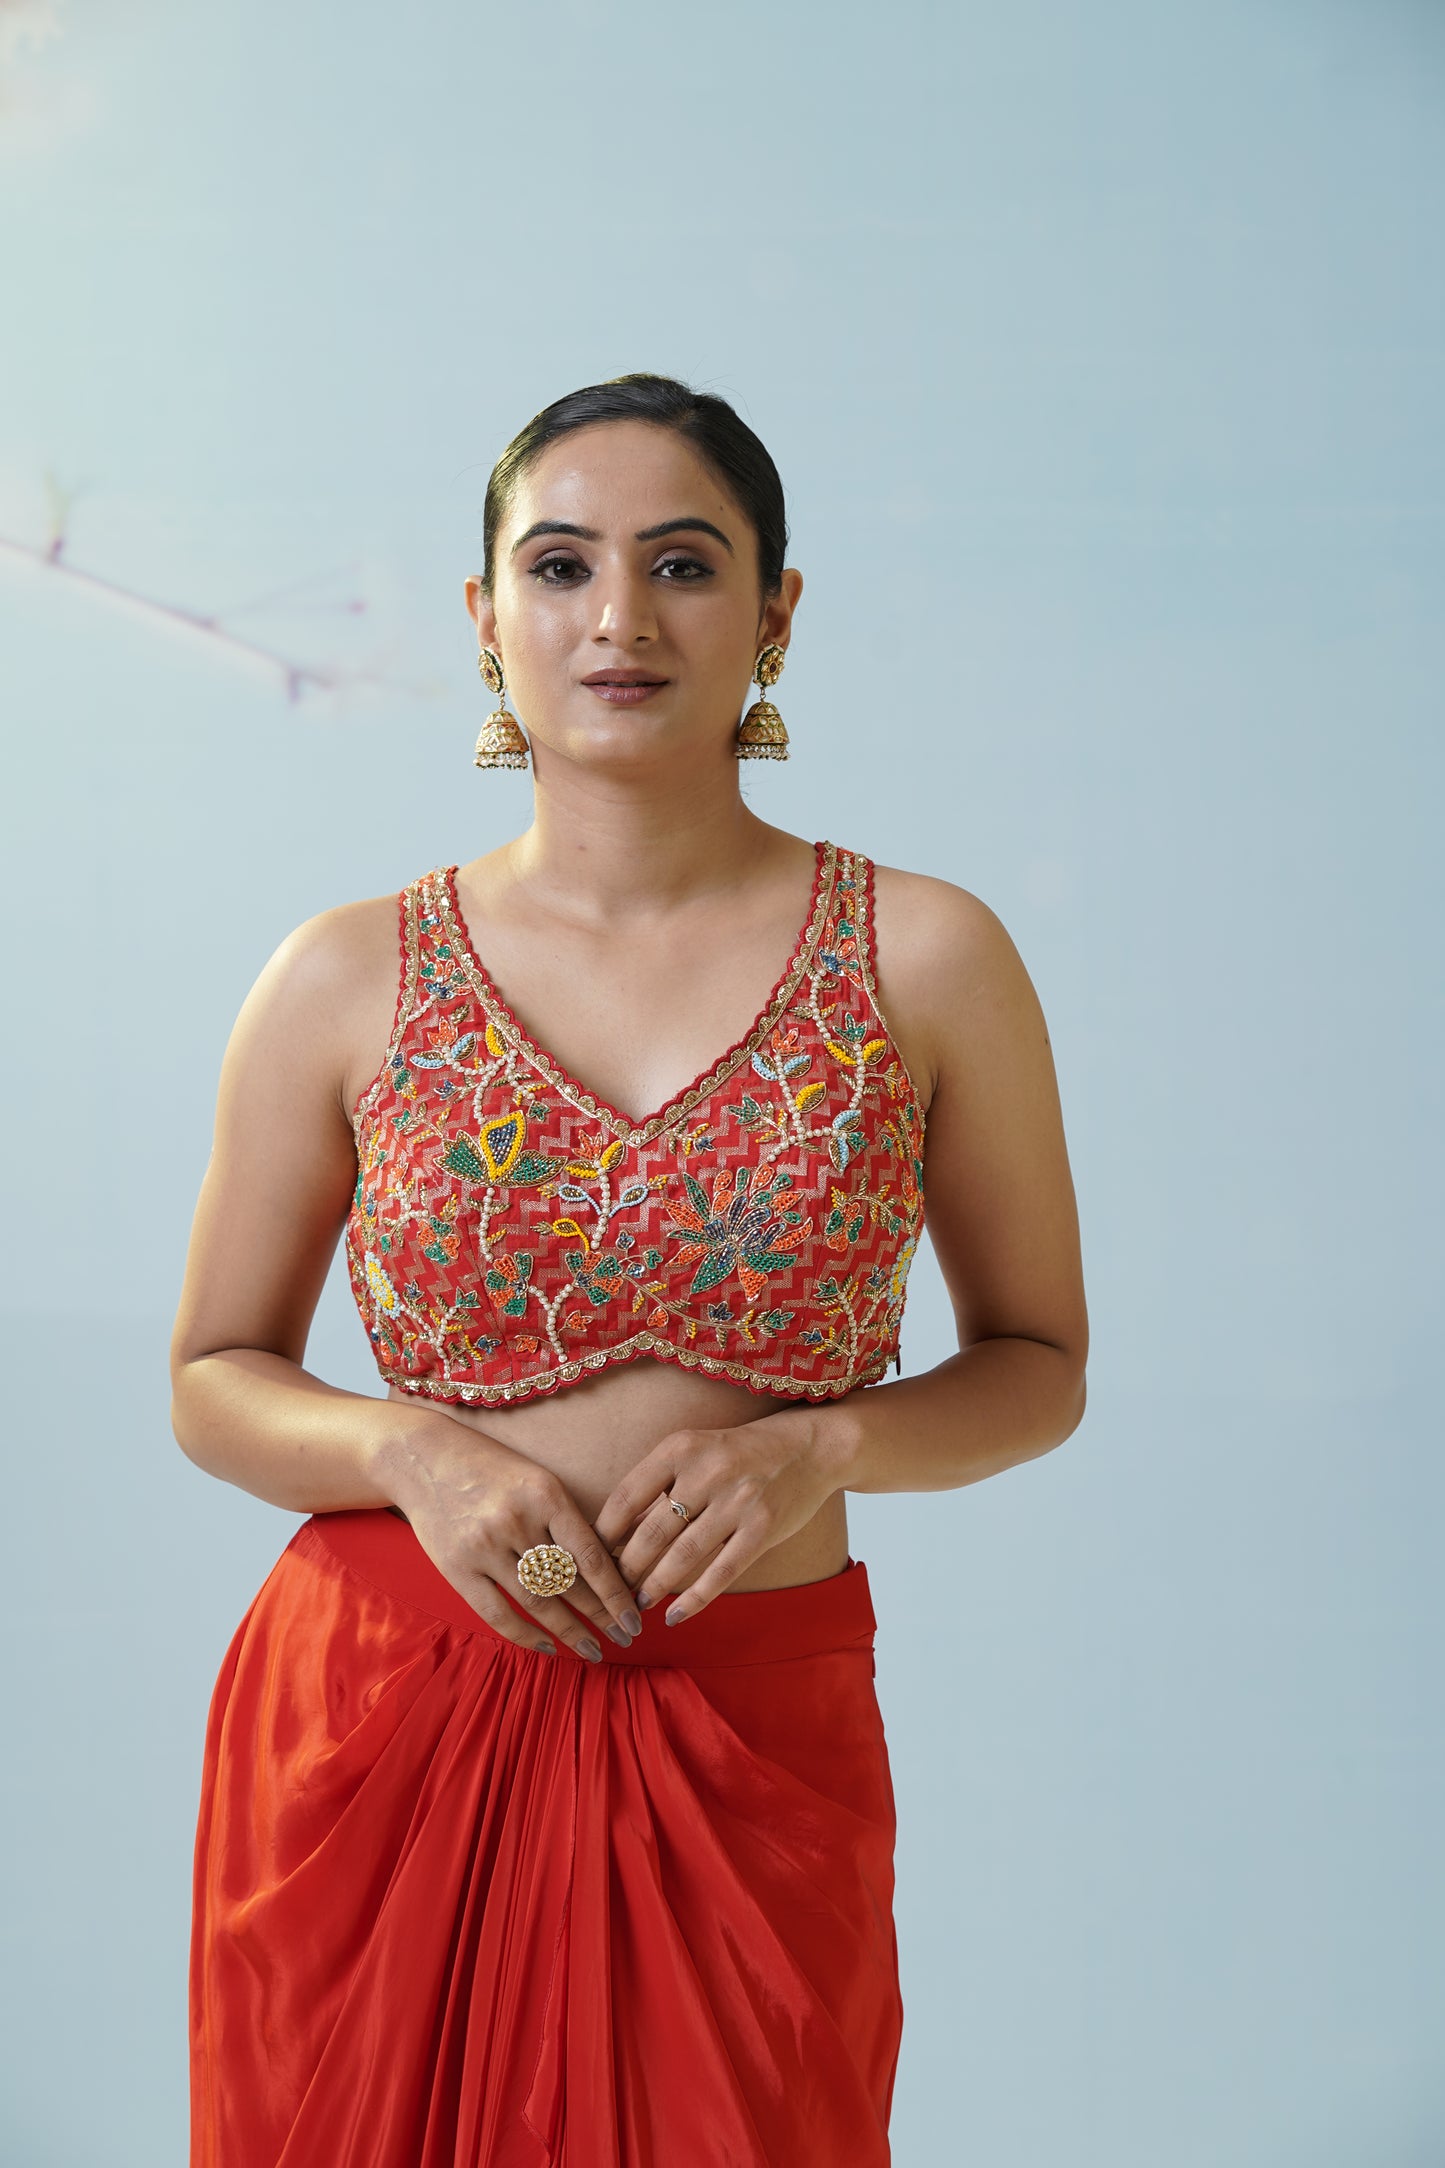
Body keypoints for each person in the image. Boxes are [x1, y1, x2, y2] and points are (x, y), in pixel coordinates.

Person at [172, 371, 1089, 2168]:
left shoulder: (925, 953)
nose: (617, 618)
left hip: (747, 1725)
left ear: (773, 611)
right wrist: (404, 1452)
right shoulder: (343, 974)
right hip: (378, 1720)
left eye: (682, 564)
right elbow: (214, 1374)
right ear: (484, 614)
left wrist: (815, 1446)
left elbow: (1038, 1359)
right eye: (560, 563)